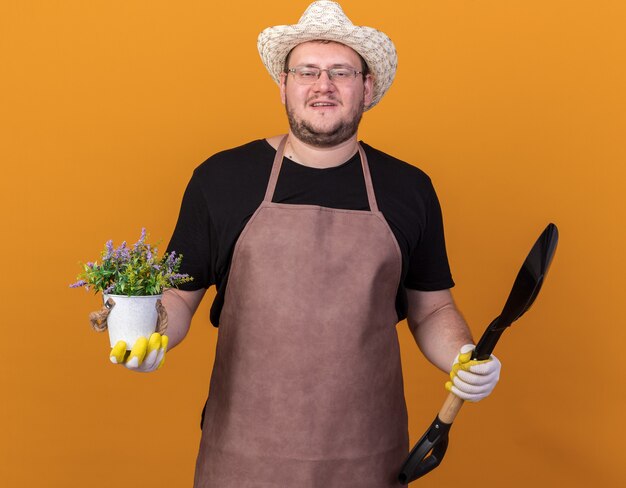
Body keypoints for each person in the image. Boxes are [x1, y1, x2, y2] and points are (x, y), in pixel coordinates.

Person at [107, 2, 501, 487]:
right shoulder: (223, 179)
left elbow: (431, 308)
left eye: (341, 71)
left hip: (366, 457)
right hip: (243, 456)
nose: (323, 85)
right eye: (307, 71)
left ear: (367, 87)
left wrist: (464, 354)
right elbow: (180, 295)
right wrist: (152, 334)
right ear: (284, 85)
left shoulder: (408, 188)